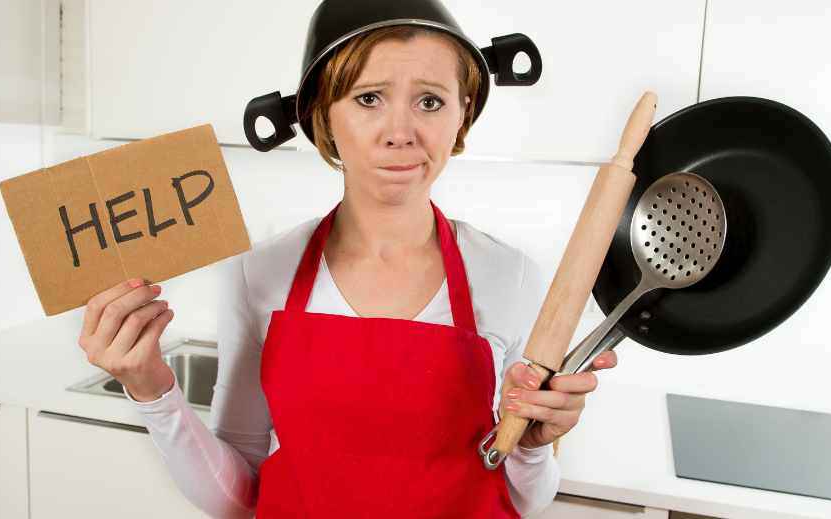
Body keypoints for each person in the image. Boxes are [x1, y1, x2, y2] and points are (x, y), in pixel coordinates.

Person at [77, 24, 617, 519]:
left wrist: (529, 447)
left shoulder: (509, 274)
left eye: (430, 100)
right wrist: (150, 389)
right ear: (323, 117)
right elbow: (238, 496)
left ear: (462, 112)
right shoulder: (262, 272)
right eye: (368, 99)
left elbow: (524, 498)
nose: (400, 132)